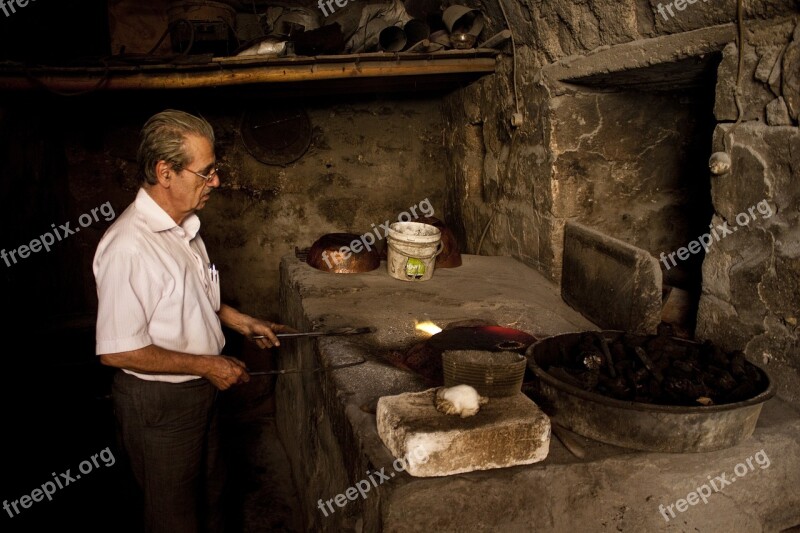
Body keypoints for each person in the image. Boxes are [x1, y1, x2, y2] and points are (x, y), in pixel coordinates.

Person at [93, 109, 290, 533]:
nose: (215, 182)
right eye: (206, 172)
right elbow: (116, 349)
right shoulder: (129, 247)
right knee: (173, 517)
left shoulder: (185, 229)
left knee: (212, 495)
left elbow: (191, 298)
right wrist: (209, 364)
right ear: (166, 173)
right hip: (159, 404)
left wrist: (240, 322)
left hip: (199, 391)